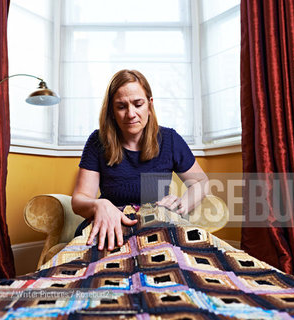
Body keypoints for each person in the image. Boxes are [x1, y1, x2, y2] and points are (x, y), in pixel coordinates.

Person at [72, 69, 208, 251]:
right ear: (112, 111)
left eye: (138, 104)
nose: (131, 114)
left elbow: (201, 182)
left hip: (157, 225)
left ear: (150, 105)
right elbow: (79, 200)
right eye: (121, 107)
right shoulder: (98, 141)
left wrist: (180, 205)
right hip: (110, 227)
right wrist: (99, 204)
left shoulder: (170, 139)